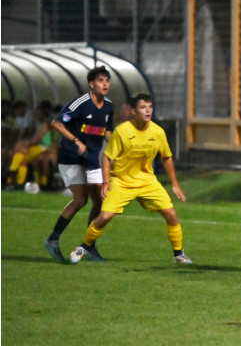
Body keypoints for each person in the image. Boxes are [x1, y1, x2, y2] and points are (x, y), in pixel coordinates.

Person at [69, 92, 192, 265]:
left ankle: (179, 254)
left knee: (171, 214)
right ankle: (84, 247)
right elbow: (106, 156)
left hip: (147, 181)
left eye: (150, 106)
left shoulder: (158, 132)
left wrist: (175, 184)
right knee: (105, 216)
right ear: (134, 111)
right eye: (143, 107)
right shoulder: (122, 131)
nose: (148, 110)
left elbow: (167, 156)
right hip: (121, 181)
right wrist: (106, 181)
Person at [44, 66, 114, 263]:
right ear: (91, 84)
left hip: (92, 159)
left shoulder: (108, 106)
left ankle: (89, 246)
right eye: (100, 80)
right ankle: (53, 239)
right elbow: (57, 123)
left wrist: (118, 147)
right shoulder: (80, 104)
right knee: (80, 200)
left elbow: (107, 131)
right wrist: (76, 141)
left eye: (107, 80)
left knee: (99, 199)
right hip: (71, 157)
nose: (105, 84)